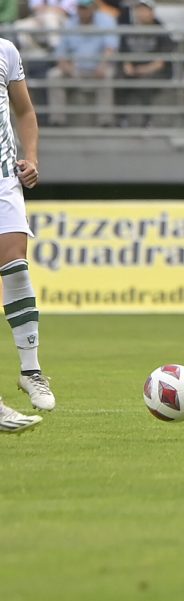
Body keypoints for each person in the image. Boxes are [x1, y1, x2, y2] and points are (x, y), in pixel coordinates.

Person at [0, 34, 51, 430]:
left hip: (3, 182)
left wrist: (30, 157)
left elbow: (26, 112)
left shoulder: (5, 51)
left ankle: (30, 371)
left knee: (16, 267)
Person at [45, 0, 118, 127]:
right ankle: (57, 120)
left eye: (86, 6)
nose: (83, 10)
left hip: (99, 67)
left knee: (108, 74)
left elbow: (111, 48)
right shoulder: (70, 24)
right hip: (76, 69)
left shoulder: (106, 20)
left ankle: (105, 121)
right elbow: (60, 52)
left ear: (93, 6)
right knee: (54, 75)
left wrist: (103, 64)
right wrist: (66, 66)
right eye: (80, 7)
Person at [117, 0, 173, 128]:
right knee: (118, 77)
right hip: (134, 68)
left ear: (152, 12)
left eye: (144, 9)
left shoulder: (161, 30)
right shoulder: (128, 29)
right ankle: (121, 118)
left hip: (156, 70)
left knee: (146, 81)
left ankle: (148, 120)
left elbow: (162, 61)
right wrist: (127, 65)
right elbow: (122, 53)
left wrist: (144, 70)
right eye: (138, 9)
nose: (141, 13)